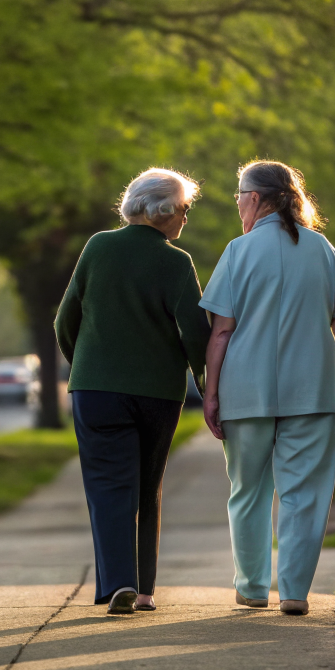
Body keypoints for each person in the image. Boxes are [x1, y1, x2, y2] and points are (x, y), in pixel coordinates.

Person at [199, 160, 335, 616]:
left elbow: (220, 333)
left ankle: (252, 587)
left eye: (238, 195)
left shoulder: (237, 252)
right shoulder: (323, 250)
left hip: (245, 392)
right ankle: (293, 593)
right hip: (312, 393)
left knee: (248, 491)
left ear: (254, 199)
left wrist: (210, 393)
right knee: (304, 494)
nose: (237, 203)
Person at [55, 168, 211, 614]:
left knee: (108, 485)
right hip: (158, 393)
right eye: (184, 208)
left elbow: (66, 319)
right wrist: (207, 386)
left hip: (96, 389)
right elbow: (195, 336)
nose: (186, 218)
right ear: (162, 210)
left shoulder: (98, 247)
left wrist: (85, 363)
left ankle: (118, 582)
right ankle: (144, 590)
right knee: (148, 485)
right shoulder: (176, 262)